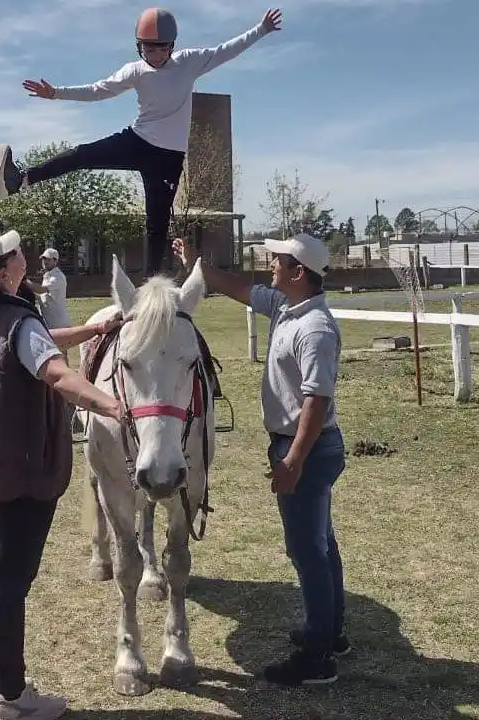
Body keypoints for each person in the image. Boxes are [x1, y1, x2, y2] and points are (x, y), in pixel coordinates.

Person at [0, 228, 123, 720]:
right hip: (24, 469)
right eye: (13, 252)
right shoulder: (17, 321)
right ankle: (12, 697)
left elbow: (39, 345)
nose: (22, 252)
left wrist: (92, 332)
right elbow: (54, 372)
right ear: (5, 274)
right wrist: (115, 405)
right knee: (8, 584)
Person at [172, 233, 348, 686]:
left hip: (305, 447)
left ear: (298, 272)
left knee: (307, 551)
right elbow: (239, 289)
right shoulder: (289, 307)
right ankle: (330, 631)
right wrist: (198, 265)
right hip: (299, 446)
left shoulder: (315, 329)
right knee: (321, 543)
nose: (270, 264)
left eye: (279, 260)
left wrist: (292, 461)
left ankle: (318, 657)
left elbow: (317, 401)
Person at [0, 7, 282, 276]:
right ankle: (20, 180)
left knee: (156, 225)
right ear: (139, 46)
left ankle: (151, 288)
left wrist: (261, 29)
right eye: (148, 48)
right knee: (82, 154)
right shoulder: (135, 70)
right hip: (137, 141)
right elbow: (98, 90)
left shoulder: (190, 62)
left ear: (172, 46)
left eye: (161, 49)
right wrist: (56, 93)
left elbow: (226, 50)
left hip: (168, 159)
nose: (154, 56)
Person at [25, 247, 72, 331]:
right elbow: (42, 296)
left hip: (58, 324)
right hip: (48, 322)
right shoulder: (47, 276)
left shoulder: (58, 277)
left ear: (55, 261)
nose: (44, 261)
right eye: (43, 259)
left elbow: (41, 290)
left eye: (48, 259)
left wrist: (25, 281)